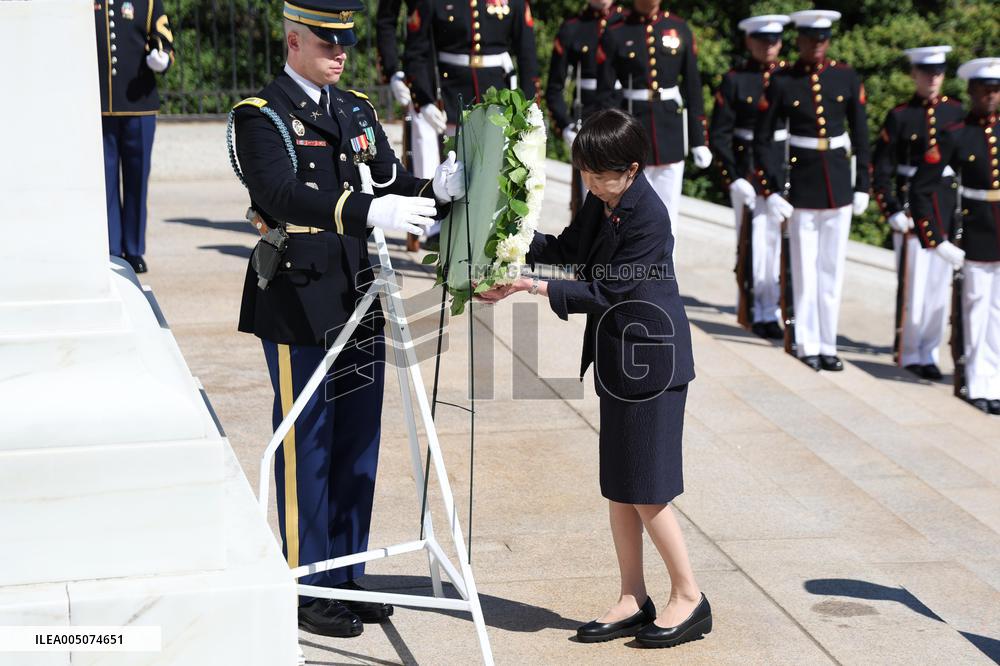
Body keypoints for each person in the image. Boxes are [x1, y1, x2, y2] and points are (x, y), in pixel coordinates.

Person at [231, 0, 465, 638]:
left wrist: (433, 190)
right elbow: (279, 194)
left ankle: (344, 571)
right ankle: (307, 583)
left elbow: (389, 179)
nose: (340, 54)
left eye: (345, 45)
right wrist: (369, 214)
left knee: (359, 438)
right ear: (293, 42)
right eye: (327, 44)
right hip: (298, 297)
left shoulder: (355, 108)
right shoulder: (261, 115)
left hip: (359, 292)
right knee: (308, 439)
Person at [477, 108, 710, 649]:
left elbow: (611, 289)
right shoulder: (604, 201)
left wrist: (529, 288)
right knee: (621, 489)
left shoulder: (649, 215)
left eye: (598, 175)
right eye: (583, 173)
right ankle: (633, 596)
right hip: (618, 359)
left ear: (630, 169)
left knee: (649, 491)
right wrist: (511, 237)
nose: (589, 184)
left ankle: (689, 596)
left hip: (652, 363)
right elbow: (567, 251)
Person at [753, 10, 871, 371]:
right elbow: (764, 139)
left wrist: (862, 183)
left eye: (822, 40)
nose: (816, 46)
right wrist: (771, 188)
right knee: (804, 271)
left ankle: (828, 343)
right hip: (801, 186)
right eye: (809, 39)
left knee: (831, 271)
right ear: (800, 41)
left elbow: (862, 134)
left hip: (838, 184)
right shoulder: (783, 80)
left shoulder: (845, 77)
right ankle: (806, 342)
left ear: (828, 41)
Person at [402, 0, 540, 248]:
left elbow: (527, 52)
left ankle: (487, 232)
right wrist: (425, 98)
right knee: (449, 166)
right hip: (450, 89)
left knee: (491, 170)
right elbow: (417, 52)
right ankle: (437, 229)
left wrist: (528, 103)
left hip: (496, 91)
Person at [910, 57, 1000, 415]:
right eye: (984, 90)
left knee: (998, 313)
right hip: (976, 233)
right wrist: (936, 239)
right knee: (976, 311)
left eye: (996, 90)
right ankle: (977, 382)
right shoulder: (957, 134)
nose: (991, 97)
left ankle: (995, 380)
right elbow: (921, 187)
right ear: (972, 92)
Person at [873, 46, 964, 379]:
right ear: (914, 75)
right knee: (914, 286)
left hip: (943, 207)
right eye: (926, 73)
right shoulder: (900, 116)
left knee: (939, 286)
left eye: (938, 73)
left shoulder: (957, 113)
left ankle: (929, 350)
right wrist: (891, 209)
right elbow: (881, 169)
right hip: (912, 209)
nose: (933, 79)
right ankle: (909, 350)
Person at [594, 0, 712, 240]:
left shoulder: (679, 28)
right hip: (632, 131)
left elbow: (692, 86)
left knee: (669, 211)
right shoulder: (616, 31)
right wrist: (609, 138)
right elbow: (605, 93)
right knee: (630, 211)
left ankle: (664, 273)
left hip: (670, 132)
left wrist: (699, 139)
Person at [709, 14, 790, 340]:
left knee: (778, 242)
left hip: (782, 168)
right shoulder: (736, 80)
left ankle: (777, 306)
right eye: (762, 40)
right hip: (747, 170)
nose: (768, 47)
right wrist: (733, 177)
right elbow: (720, 134)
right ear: (749, 42)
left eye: (774, 41)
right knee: (755, 242)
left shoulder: (789, 77)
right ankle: (758, 309)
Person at [94, 0, 174, 273]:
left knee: (137, 178)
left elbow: (162, 34)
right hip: (98, 103)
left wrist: (161, 56)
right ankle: (111, 247)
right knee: (104, 180)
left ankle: (134, 248)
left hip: (139, 103)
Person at [545, 0, 626, 216]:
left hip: (621, 116)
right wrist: (566, 126)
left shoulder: (626, 23)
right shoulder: (573, 27)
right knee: (586, 206)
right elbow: (554, 88)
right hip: (586, 116)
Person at [376, 0, 441, 251]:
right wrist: (393, 71)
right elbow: (386, 21)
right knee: (425, 148)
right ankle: (434, 225)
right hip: (421, 70)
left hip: (460, 70)